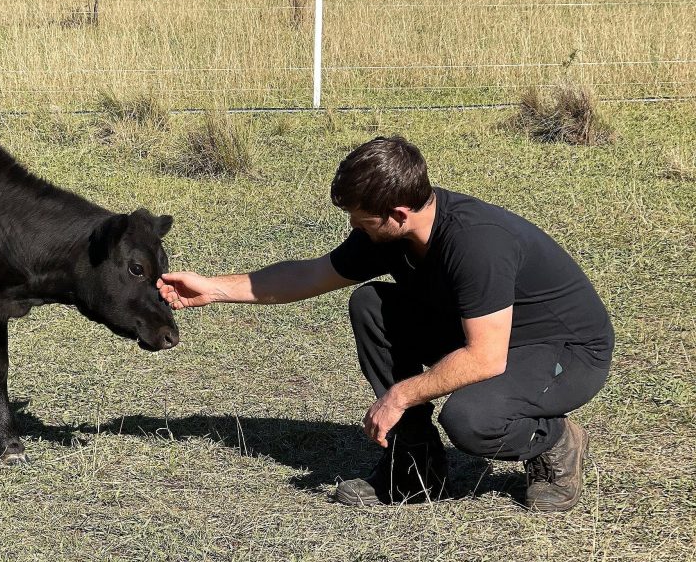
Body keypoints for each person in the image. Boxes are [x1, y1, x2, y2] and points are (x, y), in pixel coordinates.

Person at [157, 136, 613, 512]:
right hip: (487, 334)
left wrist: (400, 395)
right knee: (372, 303)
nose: (356, 228)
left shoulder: (477, 244)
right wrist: (212, 289)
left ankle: (556, 441)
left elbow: (485, 357)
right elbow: (311, 274)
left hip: (565, 352)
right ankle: (416, 466)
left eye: (362, 221)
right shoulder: (390, 232)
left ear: (398, 214)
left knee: (472, 419)